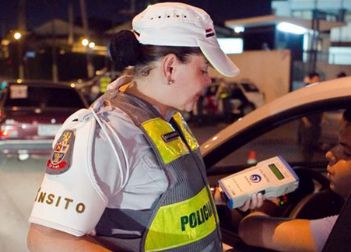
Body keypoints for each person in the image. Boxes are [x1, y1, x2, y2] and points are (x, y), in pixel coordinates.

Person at [26, 3, 259, 251]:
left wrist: (222, 196)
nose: (208, 80)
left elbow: (159, 199)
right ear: (170, 67)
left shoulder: (169, 118)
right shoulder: (106, 133)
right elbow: (46, 239)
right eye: (203, 69)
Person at [238, 106, 351, 251]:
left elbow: (250, 230)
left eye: (347, 152)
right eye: (336, 144)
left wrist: (271, 202)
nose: (330, 154)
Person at [299, 72, 322, 161]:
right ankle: (306, 161)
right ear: (311, 80)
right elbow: (300, 107)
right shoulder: (305, 91)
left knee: (313, 142)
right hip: (307, 122)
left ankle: (310, 160)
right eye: (316, 80)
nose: (317, 81)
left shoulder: (319, 91)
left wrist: (322, 118)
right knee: (306, 143)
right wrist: (305, 120)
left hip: (316, 121)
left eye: (318, 80)